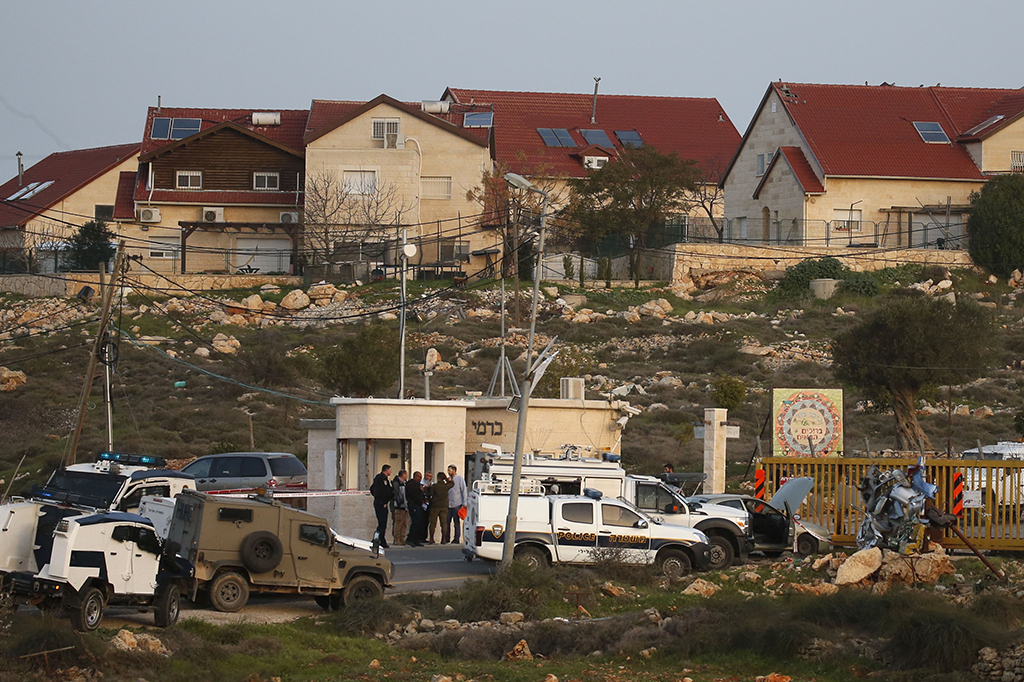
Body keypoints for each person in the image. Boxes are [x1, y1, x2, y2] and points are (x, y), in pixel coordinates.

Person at [369, 464, 393, 549]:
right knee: (382, 523)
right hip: (381, 503)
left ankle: (381, 540)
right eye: (390, 470)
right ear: (386, 470)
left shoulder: (377, 478)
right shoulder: (382, 479)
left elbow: (372, 489)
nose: (391, 472)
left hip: (378, 502)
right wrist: (383, 501)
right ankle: (376, 539)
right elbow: (383, 491)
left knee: (382, 523)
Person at [427, 472, 452, 544]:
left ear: (438, 478)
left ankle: (431, 538)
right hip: (444, 506)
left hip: (435, 506)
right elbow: (452, 484)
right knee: (444, 523)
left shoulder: (434, 486)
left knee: (433, 523)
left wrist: (426, 488)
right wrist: (447, 479)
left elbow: (430, 494)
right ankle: (443, 539)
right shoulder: (446, 486)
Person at [447, 464, 468, 545]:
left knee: (456, 522)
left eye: (450, 470)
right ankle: (447, 538)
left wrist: (464, 502)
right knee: (447, 521)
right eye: (448, 470)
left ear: (454, 470)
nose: (449, 472)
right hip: (449, 504)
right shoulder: (448, 480)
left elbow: (463, 491)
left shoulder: (460, 479)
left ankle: (456, 538)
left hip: (457, 503)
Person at [405, 471, 426, 547]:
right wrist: (419, 490)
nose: (420, 479)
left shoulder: (418, 485)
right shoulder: (411, 484)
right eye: (419, 477)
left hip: (419, 505)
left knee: (419, 523)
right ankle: (410, 539)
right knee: (415, 522)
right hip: (413, 505)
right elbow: (412, 494)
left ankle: (416, 539)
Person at [391, 469, 408, 546]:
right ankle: (396, 539)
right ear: (403, 475)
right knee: (398, 524)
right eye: (406, 474)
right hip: (399, 506)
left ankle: (402, 539)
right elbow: (397, 494)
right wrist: (399, 502)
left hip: (405, 507)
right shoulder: (396, 483)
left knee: (404, 524)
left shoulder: (404, 483)